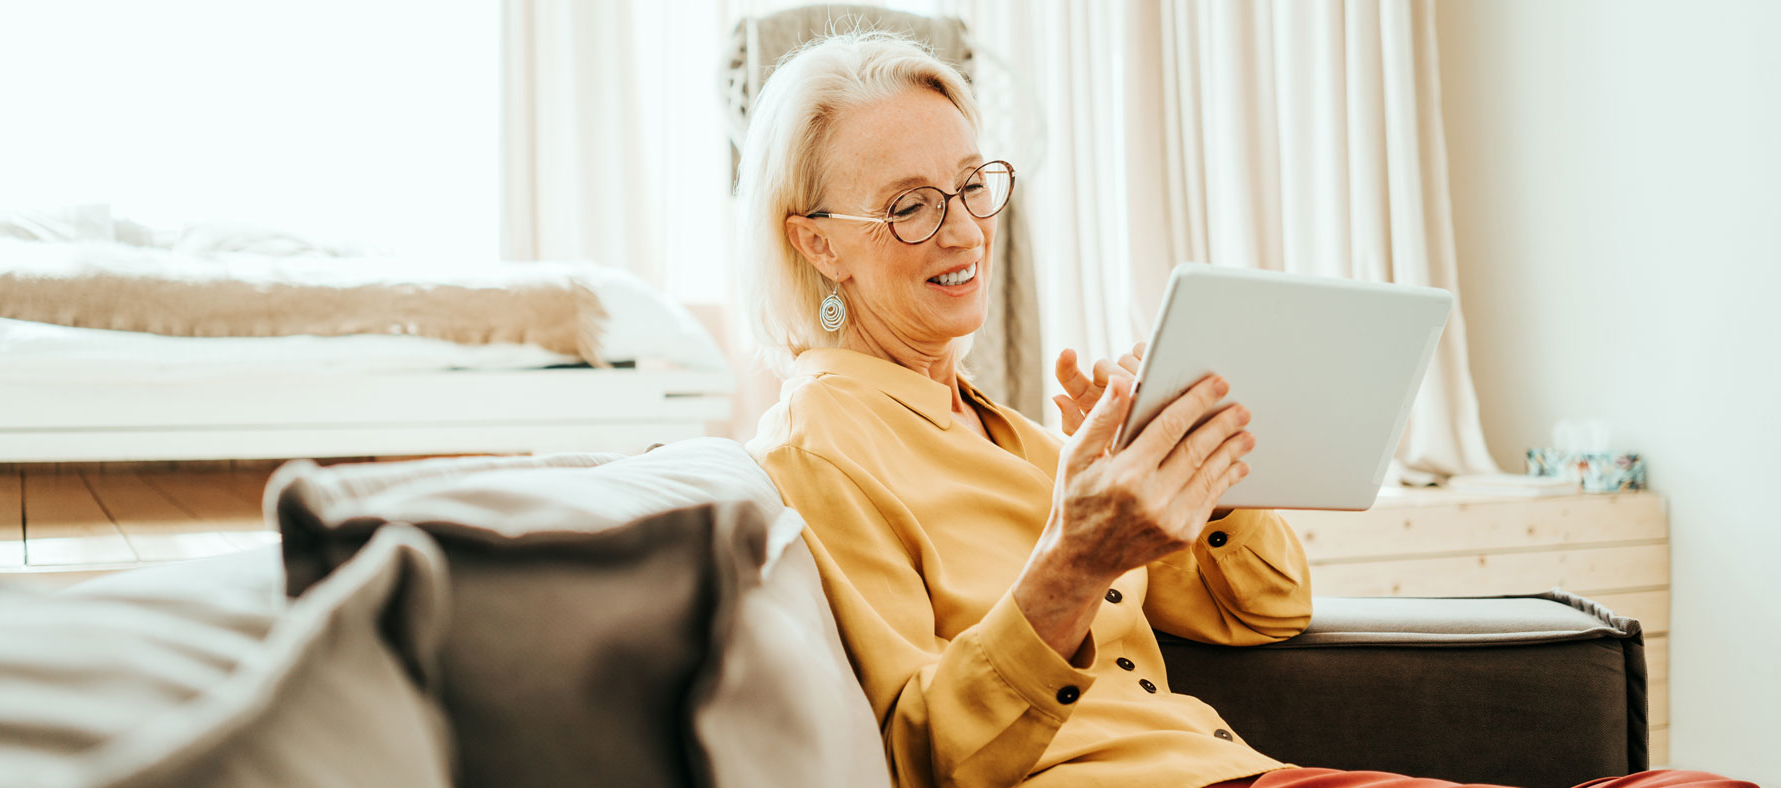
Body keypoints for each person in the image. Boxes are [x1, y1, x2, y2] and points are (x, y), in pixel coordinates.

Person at [738, 31, 1752, 788]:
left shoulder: (1005, 428)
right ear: (817, 241)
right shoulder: (818, 441)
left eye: (972, 184)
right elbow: (923, 755)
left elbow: (1265, 606)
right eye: (910, 204)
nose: (963, 229)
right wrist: (1074, 562)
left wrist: (1189, 467)